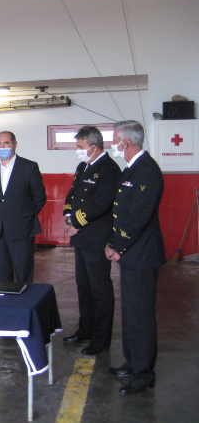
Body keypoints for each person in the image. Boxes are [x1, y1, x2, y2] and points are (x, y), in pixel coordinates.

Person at [104, 120, 166, 394]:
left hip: (142, 254)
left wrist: (116, 245)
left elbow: (138, 216)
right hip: (131, 254)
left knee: (141, 317)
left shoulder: (147, 171)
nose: (113, 144)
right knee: (130, 313)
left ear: (125, 143)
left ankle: (143, 375)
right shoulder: (133, 168)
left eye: (114, 139)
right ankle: (132, 362)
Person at [61, 126, 120, 355]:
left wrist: (76, 222)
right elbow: (72, 195)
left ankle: (101, 339)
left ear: (94, 148)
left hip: (96, 238)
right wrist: (67, 217)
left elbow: (101, 203)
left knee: (100, 289)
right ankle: (85, 330)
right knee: (84, 287)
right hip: (81, 238)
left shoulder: (109, 169)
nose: (78, 151)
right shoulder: (83, 166)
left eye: (80, 147)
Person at [0, 131, 46, 283]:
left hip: (22, 230)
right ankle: (5, 299)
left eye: (6, 143)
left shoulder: (29, 167)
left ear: (15, 145)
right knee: (2, 274)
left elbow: (39, 197)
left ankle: (24, 299)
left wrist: (24, 216)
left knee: (23, 273)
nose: (2, 147)